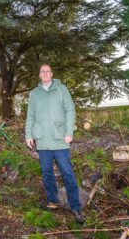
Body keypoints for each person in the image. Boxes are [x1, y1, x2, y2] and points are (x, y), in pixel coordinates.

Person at [25, 64, 85, 224]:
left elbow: (70, 110)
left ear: (51, 73)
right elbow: (30, 115)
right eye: (42, 71)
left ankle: (75, 206)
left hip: (60, 139)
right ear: (39, 75)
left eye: (47, 71)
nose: (45, 73)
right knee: (47, 173)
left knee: (67, 173)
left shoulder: (61, 89)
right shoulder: (34, 93)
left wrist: (69, 132)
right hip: (42, 139)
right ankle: (53, 201)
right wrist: (28, 134)